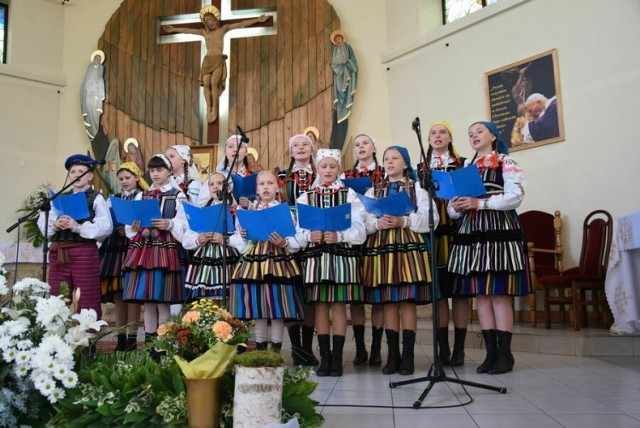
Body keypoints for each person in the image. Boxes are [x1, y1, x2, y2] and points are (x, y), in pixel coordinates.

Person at [448, 121, 530, 375]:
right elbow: (452, 210)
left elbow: (515, 196)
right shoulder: (466, 169)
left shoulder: (506, 162)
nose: (473, 136)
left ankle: (505, 354)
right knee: (481, 294)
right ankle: (491, 353)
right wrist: (457, 205)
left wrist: (480, 204)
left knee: (498, 292)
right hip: (471, 232)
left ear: (493, 136)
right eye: (470, 134)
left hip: (497, 230)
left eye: (479, 132)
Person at [362, 146, 438, 375]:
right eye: (386, 158)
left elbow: (430, 220)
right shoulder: (373, 191)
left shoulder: (418, 190)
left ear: (406, 164)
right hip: (382, 247)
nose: (390, 161)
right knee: (388, 301)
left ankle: (408, 356)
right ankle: (392, 355)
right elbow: (364, 221)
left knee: (407, 300)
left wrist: (404, 221)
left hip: (408, 247)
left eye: (395, 158)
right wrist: (377, 224)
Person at [296, 149, 366, 376]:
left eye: (332, 167)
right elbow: (298, 230)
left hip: (341, 255)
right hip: (316, 256)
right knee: (320, 304)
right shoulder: (305, 197)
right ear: (317, 168)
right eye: (324, 166)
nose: (328, 170)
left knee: (338, 305)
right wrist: (309, 236)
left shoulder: (349, 195)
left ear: (338, 169)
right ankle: (324, 357)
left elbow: (360, 229)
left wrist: (340, 236)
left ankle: (337, 358)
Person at [229, 170, 305, 352]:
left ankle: (276, 349)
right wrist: (244, 236)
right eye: (261, 184)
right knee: (258, 307)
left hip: (278, 263)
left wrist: (284, 242)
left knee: (278, 307)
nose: (265, 187)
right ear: (256, 189)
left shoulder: (286, 211)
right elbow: (235, 238)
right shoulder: (247, 212)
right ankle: (261, 349)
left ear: (278, 188)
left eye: (270, 183)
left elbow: (298, 240)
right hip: (253, 263)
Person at [122, 154, 187, 353]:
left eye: (159, 170)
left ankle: (164, 346)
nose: (155, 174)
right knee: (148, 300)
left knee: (163, 299)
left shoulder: (178, 195)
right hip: (144, 250)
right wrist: (133, 225)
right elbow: (130, 226)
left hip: (165, 250)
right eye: (152, 171)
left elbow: (184, 224)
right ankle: (151, 347)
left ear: (169, 171)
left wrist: (169, 223)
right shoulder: (143, 195)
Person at [416, 121, 469, 367]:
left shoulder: (462, 164)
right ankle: (443, 349)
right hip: (433, 234)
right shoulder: (420, 169)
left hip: (457, 233)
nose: (437, 136)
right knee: (440, 295)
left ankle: (459, 348)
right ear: (427, 140)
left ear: (450, 137)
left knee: (458, 294)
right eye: (433, 133)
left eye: (442, 132)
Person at [38, 154, 113, 319]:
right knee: (57, 296)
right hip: (59, 252)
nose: (76, 175)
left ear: (90, 176)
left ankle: (87, 341)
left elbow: (106, 226)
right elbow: (44, 223)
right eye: (73, 171)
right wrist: (55, 225)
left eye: (81, 171)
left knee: (87, 296)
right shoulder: (58, 198)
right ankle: (58, 337)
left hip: (84, 251)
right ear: (68, 176)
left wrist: (77, 227)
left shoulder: (96, 198)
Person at [163, 6, 268, 123]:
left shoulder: (223, 29)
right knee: (206, 82)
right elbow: (187, 30)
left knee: (214, 82)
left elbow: (241, 24)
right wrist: (174, 29)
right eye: (207, 22)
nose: (210, 23)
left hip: (218, 59)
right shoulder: (204, 32)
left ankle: (215, 108)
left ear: (216, 19)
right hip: (207, 60)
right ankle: (209, 107)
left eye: (211, 21)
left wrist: (257, 20)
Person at [340, 133, 385, 366]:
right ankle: (360, 347)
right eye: (356, 145)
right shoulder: (345, 177)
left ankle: (377, 347)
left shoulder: (385, 172)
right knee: (356, 296)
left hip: (378, 235)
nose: (360, 147)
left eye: (365, 143)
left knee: (377, 295)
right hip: (355, 235)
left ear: (374, 147)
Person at [277, 134, 319, 366]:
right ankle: (296, 348)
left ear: (312, 150)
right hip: (287, 233)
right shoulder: (281, 177)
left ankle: (308, 347)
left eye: (305, 144)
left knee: (310, 295)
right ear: (290, 151)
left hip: (312, 235)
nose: (301, 148)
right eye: (296, 145)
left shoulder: (320, 175)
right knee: (291, 294)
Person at [99, 162, 147, 351]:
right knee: (119, 293)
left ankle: (133, 337)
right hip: (116, 246)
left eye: (128, 178)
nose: (124, 182)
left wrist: (130, 228)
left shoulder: (143, 196)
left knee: (132, 293)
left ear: (137, 177)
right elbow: (105, 219)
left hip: (134, 245)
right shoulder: (114, 199)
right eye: (121, 179)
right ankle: (120, 337)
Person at [182, 172, 240, 300]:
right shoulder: (202, 209)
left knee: (229, 296)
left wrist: (225, 239)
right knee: (206, 299)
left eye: (220, 183)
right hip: (206, 257)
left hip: (228, 256)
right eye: (211, 184)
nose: (215, 187)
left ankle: (226, 320)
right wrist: (198, 239)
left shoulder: (235, 210)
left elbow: (243, 238)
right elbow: (187, 239)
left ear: (228, 188)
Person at [330, 29, 357, 125]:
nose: (338, 41)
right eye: (336, 39)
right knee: (339, 91)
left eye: (339, 38)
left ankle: (344, 110)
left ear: (342, 39)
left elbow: (353, 59)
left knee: (346, 91)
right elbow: (333, 63)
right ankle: (340, 110)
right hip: (338, 72)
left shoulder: (348, 47)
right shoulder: (334, 49)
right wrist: (338, 66)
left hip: (347, 70)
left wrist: (348, 62)